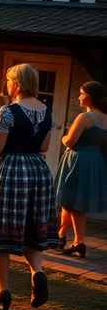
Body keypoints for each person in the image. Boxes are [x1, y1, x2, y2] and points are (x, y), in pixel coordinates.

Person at [0, 64, 58, 310]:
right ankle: (37, 272)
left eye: (9, 81)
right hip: (38, 171)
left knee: (0, 231)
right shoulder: (46, 111)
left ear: (17, 84)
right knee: (31, 226)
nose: (6, 85)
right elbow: (43, 147)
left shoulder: (7, 112)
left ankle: (3, 291)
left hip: (11, 171)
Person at [54, 81, 107, 257]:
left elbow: (70, 142)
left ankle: (79, 242)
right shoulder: (105, 118)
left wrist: (63, 138)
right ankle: (61, 235)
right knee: (68, 201)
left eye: (81, 93)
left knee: (74, 203)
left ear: (89, 97)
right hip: (93, 159)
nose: (79, 97)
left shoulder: (85, 118)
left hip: (78, 159)